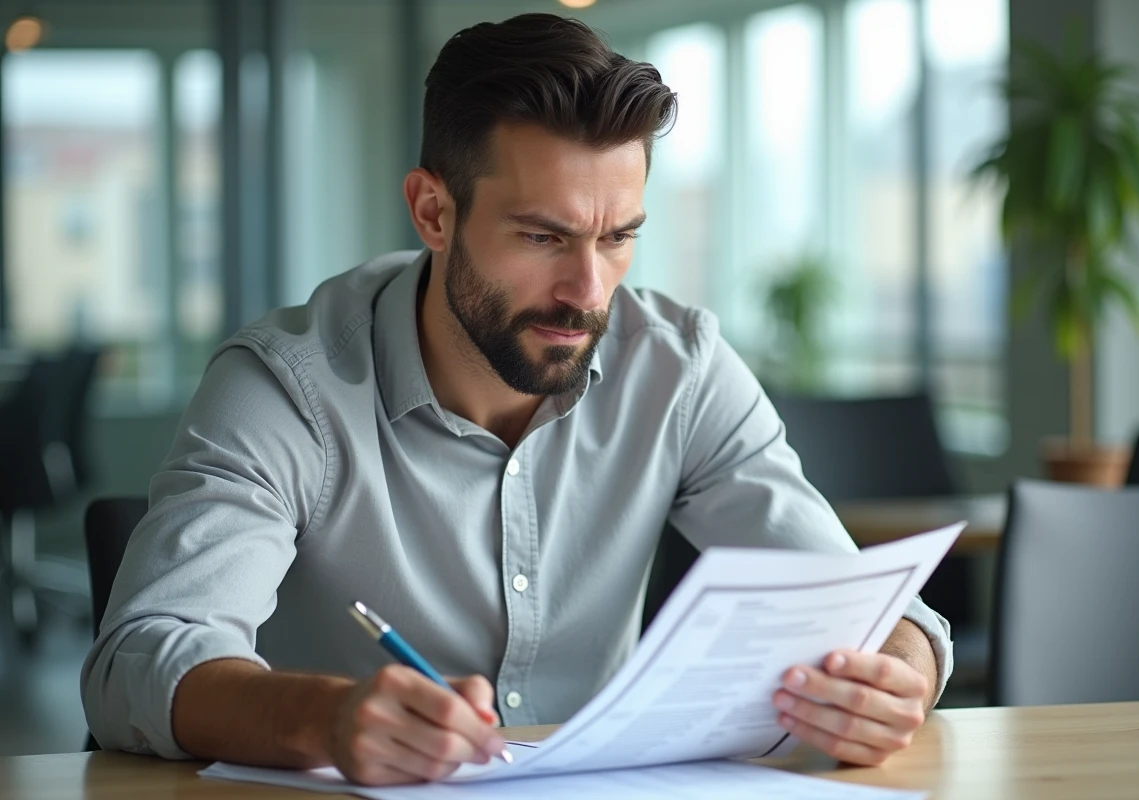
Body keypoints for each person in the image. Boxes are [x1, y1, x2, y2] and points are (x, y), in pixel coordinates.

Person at [81, 12, 952, 786]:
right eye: (543, 236)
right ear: (433, 211)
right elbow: (136, 659)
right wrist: (328, 720)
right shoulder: (287, 386)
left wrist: (899, 672)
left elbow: (868, 609)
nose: (588, 291)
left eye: (618, 238)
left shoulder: (679, 367)